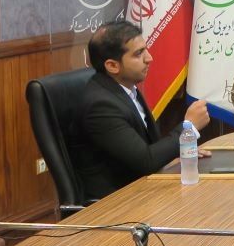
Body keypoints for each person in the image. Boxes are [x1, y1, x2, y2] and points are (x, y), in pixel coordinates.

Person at [72, 21, 211, 200]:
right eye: (138, 54)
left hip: (142, 189)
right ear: (112, 66)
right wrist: (189, 129)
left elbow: (147, 148)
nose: (149, 58)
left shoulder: (126, 88)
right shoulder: (100, 106)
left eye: (145, 49)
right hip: (117, 202)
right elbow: (146, 161)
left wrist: (181, 149)